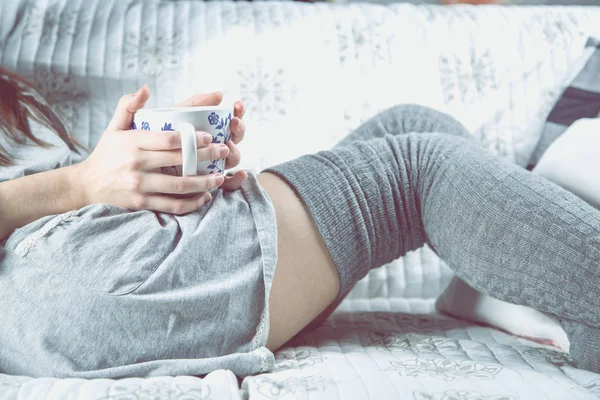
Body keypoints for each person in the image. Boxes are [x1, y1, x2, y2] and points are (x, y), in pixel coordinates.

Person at [0, 67, 599, 379]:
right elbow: (66, 193)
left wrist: (156, 171)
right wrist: (83, 183)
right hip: (60, 284)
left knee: (409, 123)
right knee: (419, 168)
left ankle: (524, 298)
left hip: (80, 270)